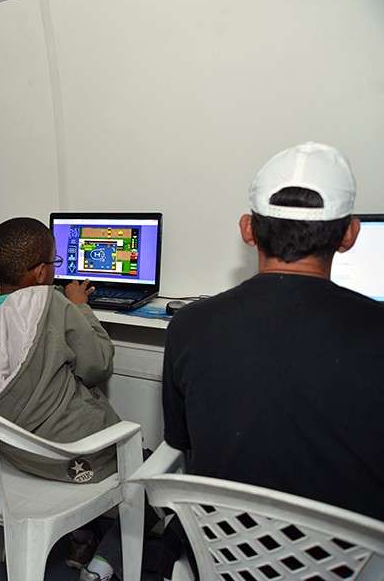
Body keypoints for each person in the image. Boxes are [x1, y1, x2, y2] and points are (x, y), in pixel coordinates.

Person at [162, 142, 384, 531]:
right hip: (351, 559)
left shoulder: (188, 325)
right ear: (350, 234)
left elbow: (183, 442)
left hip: (222, 550)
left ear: (248, 229)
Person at [0, 217, 134, 579]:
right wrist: (81, 306)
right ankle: (101, 561)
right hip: (64, 459)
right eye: (54, 263)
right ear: (40, 273)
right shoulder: (55, 305)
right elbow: (98, 366)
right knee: (145, 462)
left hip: (5, 455)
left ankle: (83, 536)